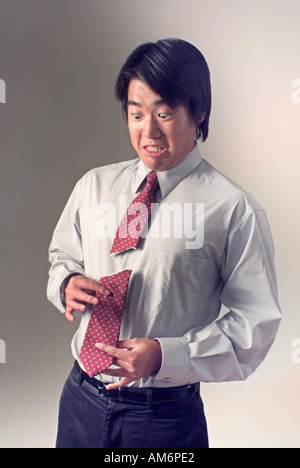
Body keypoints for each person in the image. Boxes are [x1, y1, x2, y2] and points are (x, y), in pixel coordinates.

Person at [47, 38, 281, 449]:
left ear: (199, 112)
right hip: (80, 401)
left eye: (164, 113)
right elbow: (61, 257)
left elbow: (255, 326)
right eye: (136, 114)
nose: (148, 131)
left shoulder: (234, 210)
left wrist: (165, 355)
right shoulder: (94, 186)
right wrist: (66, 283)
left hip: (163, 419)